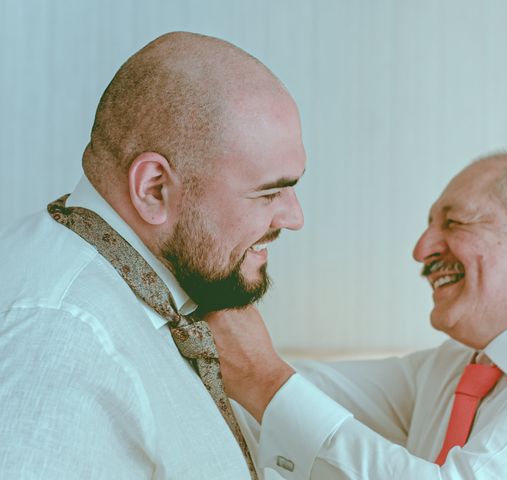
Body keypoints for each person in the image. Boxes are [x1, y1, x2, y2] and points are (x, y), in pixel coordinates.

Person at [207, 151, 507, 479]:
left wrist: (262, 379)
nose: (421, 249)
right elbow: (288, 392)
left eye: (454, 223)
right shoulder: (450, 367)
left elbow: (268, 382)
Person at [0, 31, 305, 479]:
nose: (294, 217)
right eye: (269, 193)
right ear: (154, 189)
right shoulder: (61, 346)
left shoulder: (163, 295)